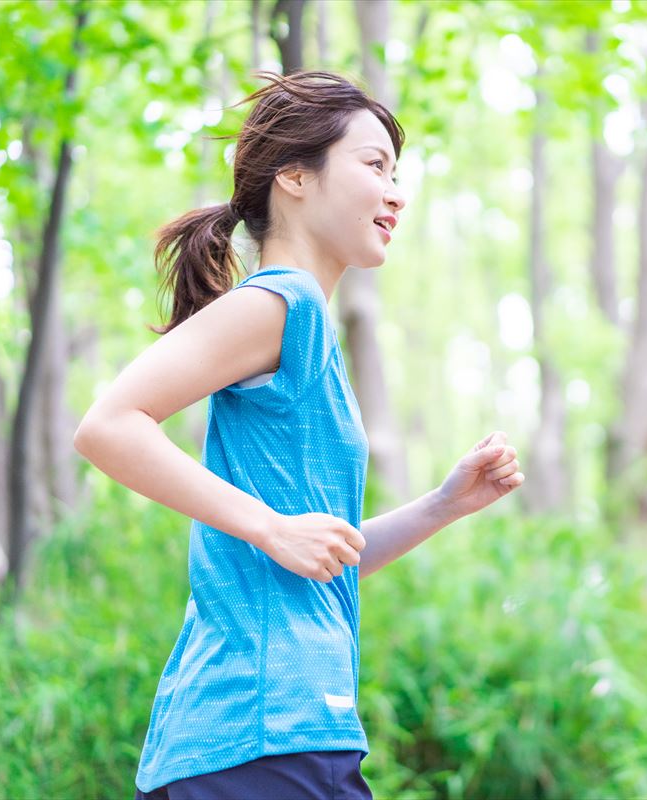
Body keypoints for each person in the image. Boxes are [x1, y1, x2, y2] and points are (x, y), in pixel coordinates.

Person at [73, 70, 525, 800]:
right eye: (373, 165)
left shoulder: (310, 332)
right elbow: (108, 426)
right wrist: (269, 528)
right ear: (294, 176)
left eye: (396, 173)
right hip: (254, 736)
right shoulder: (280, 303)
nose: (395, 192)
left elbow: (323, 557)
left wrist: (442, 505)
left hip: (294, 733)